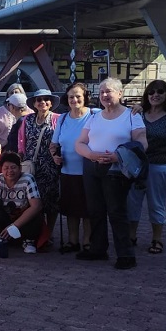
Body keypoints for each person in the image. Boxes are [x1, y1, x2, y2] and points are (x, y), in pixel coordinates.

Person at [74, 77, 148, 270]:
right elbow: (80, 142)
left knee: (116, 211)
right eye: (102, 92)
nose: (105, 95)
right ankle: (98, 249)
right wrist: (90, 154)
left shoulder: (132, 115)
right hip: (92, 167)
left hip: (116, 169)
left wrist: (118, 156)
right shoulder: (94, 116)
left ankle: (125, 254)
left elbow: (141, 143)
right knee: (95, 210)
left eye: (109, 91)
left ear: (120, 94)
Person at [127, 80, 166, 255]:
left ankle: (157, 239)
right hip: (137, 167)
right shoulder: (139, 113)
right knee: (132, 203)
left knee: (156, 204)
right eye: (151, 92)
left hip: (160, 166)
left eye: (160, 91)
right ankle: (131, 237)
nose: (155, 95)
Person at [7, 89, 62, 237]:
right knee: (31, 202)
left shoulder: (58, 119)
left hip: (50, 167)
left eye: (46, 99)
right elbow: (21, 142)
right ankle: (34, 233)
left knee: (50, 202)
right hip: (30, 167)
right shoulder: (27, 119)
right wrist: (20, 159)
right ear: (34, 103)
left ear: (51, 103)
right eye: (38, 99)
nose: (42, 102)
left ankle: (47, 235)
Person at [50, 83, 97, 254]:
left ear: (85, 97)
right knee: (71, 209)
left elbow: (115, 113)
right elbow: (53, 145)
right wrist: (55, 156)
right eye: (71, 97)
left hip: (88, 171)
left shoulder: (95, 115)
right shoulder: (62, 119)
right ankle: (73, 240)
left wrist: (136, 108)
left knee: (87, 209)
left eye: (78, 96)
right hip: (67, 171)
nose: (74, 99)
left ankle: (87, 241)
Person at [0, 152, 43, 255]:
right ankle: (0, 236)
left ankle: (28, 241)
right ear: (1, 169)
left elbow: (36, 206)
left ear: (20, 168)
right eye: (6, 168)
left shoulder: (28, 179)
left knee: (36, 215)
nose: (9, 171)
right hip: (4, 217)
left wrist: (14, 226)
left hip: (20, 218)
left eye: (13, 167)